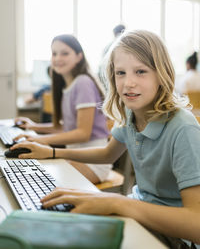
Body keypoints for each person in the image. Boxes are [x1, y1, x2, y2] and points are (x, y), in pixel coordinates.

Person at [12, 30, 200, 247]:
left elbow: (195, 224)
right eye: (120, 73)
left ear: (161, 74)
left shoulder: (183, 128)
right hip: (138, 211)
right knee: (64, 226)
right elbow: (108, 153)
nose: (128, 83)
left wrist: (117, 203)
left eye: (140, 71)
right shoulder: (133, 113)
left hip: (175, 237)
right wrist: (52, 152)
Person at [14, 34, 111, 184]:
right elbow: (66, 128)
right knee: (33, 172)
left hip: (92, 162)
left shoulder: (83, 83)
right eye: (54, 53)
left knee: (39, 178)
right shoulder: (67, 86)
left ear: (79, 56)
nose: (58, 58)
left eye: (65, 53)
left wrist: (38, 139)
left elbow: (82, 134)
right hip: (76, 156)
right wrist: (33, 126)